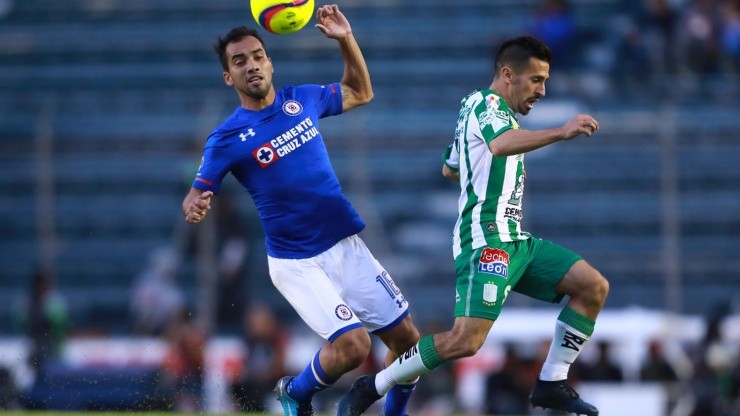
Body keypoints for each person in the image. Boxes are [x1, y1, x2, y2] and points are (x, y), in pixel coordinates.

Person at [335, 35, 609, 416]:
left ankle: (552, 382)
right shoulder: (487, 103)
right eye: (536, 80)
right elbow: (498, 145)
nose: (543, 91)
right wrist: (560, 131)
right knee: (466, 341)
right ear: (508, 74)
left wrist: (476, 171)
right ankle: (372, 386)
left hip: (517, 240)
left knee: (592, 287)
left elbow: (449, 166)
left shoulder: (484, 113)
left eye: (545, 81)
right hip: (488, 241)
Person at [181, 5, 421, 416]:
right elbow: (197, 191)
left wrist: (346, 39)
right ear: (229, 77)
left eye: (258, 56)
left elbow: (361, 92)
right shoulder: (226, 138)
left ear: (270, 63)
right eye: (239, 62)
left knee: (409, 345)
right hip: (298, 261)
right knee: (353, 346)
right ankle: (295, 391)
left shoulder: (302, 99)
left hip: (347, 246)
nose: (251, 66)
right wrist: (196, 203)